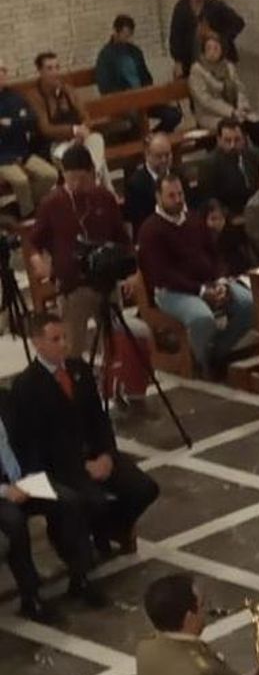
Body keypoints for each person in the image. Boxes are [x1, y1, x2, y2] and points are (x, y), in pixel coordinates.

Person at [11, 312, 159, 563]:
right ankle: (76, 540)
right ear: (37, 342)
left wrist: (107, 455)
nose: (64, 344)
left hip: (96, 454)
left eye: (65, 337)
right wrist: (81, 467)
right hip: (62, 466)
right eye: (55, 339)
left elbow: (98, 419)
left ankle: (111, 527)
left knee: (144, 488)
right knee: (91, 501)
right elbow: (36, 441)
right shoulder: (27, 386)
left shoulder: (80, 370)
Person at [139, 174, 256, 377]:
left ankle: (215, 352)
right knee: (202, 318)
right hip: (172, 291)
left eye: (180, 194)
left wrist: (220, 280)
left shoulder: (193, 219)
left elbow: (215, 254)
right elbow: (163, 275)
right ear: (158, 197)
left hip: (208, 282)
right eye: (171, 196)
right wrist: (201, 291)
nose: (178, 200)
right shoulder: (150, 230)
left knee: (249, 304)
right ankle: (200, 364)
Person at [27, 144, 136, 360]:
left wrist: (132, 272)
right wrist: (37, 259)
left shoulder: (104, 197)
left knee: (114, 342)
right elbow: (33, 242)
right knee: (72, 347)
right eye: (71, 179)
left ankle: (113, 384)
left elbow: (122, 239)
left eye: (82, 179)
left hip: (106, 282)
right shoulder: (52, 203)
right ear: (63, 175)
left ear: (92, 173)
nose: (76, 185)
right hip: (73, 286)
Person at [0, 393, 98, 622]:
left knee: (68, 501)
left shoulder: (6, 400)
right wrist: (6, 491)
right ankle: (30, 596)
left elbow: (29, 441)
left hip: (24, 479)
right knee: (14, 522)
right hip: (1, 492)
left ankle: (80, 574)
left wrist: (33, 472)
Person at [22, 51, 107, 180]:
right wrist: (74, 131)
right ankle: (93, 183)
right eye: (49, 68)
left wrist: (83, 130)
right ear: (40, 71)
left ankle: (94, 178)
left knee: (96, 140)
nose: (55, 72)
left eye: (57, 67)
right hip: (51, 145)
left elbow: (85, 116)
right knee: (76, 160)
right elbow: (45, 129)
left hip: (78, 140)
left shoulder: (68, 90)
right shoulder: (34, 96)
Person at [95, 14, 181, 132]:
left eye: (129, 35)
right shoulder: (105, 56)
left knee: (173, 115)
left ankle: (155, 138)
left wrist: (149, 93)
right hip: (123, 103)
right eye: (124, 35)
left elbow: (146, 76)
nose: (127, 39)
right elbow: (105, 87)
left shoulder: (135, 52)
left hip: (143, 98)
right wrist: (126, 96)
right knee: (134, 121)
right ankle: (147, 141)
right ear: (115, 32)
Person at [188, 32, 259, 151]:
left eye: (216, 48)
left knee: (257, 125)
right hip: (211, 115)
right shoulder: (197, 70)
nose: (212, 52)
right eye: (209, 48)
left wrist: (242, 107)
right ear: (203, 50)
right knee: (240, 125)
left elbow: (240, 88)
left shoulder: (228, 66)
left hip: (236, 111)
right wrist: (231, 112)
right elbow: (206, 100)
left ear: (222, 49)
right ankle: (241, 157)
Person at [0, 57, 56, 218]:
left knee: (50, 175)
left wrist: (10, 123)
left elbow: (32, 120)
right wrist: (18, 122)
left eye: (4, 70)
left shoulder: (15, 96)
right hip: (3, 158)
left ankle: (19, 208)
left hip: (22, 152)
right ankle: (29, 216)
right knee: (21, 181)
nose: (3, 74)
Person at [168, 0, 245, 75]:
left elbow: (239, 23)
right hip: (193, 60)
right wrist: (178, 61)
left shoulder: (214, 5)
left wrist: (219, 36)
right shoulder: (181, 8)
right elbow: (175, 36)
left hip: (219, 60)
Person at [198, 116, 259, 224]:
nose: (233, 145)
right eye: (227, 141)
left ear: (244, 138)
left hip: (257, 211)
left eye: (237, 140)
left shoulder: (255, 155)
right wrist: (232, 217)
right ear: (219, 140)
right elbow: (210, 200)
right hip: (231, 216)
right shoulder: (210, 164)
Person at [123, 132, 176, 232]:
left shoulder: (179, 176)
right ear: (147, 155)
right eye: (159, 156)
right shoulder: (136, 184)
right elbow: (139, 223)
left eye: (167, 155)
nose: (164, 160)